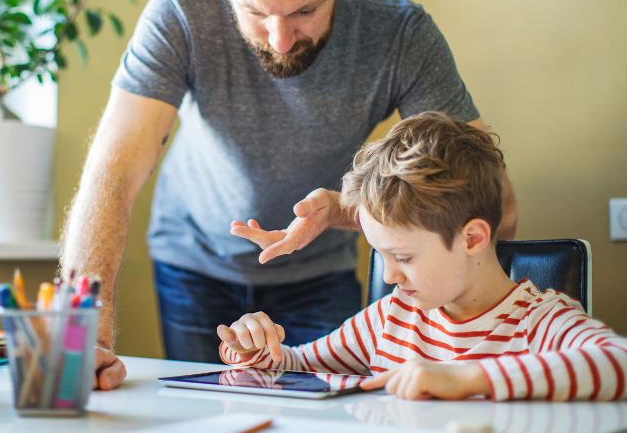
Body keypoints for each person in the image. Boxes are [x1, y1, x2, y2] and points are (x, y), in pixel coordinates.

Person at [62, 0, 517, 388]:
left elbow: (484, 194)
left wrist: (342, 215)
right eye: (254, 11)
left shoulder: (401, 33)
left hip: (321, 276)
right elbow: (112, 172)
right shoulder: (181, 12)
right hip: (193, 264)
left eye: (304, 11)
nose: (279, 40)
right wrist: (86, 338)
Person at [218, 113, 627, 401]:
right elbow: (292, 366)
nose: (390, 276)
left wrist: (469, 377)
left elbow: (618, 364)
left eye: (404, 257)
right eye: (380, 254)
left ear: (472, 239)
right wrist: (252, 348)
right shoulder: (389, 317)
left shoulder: (539, 323)